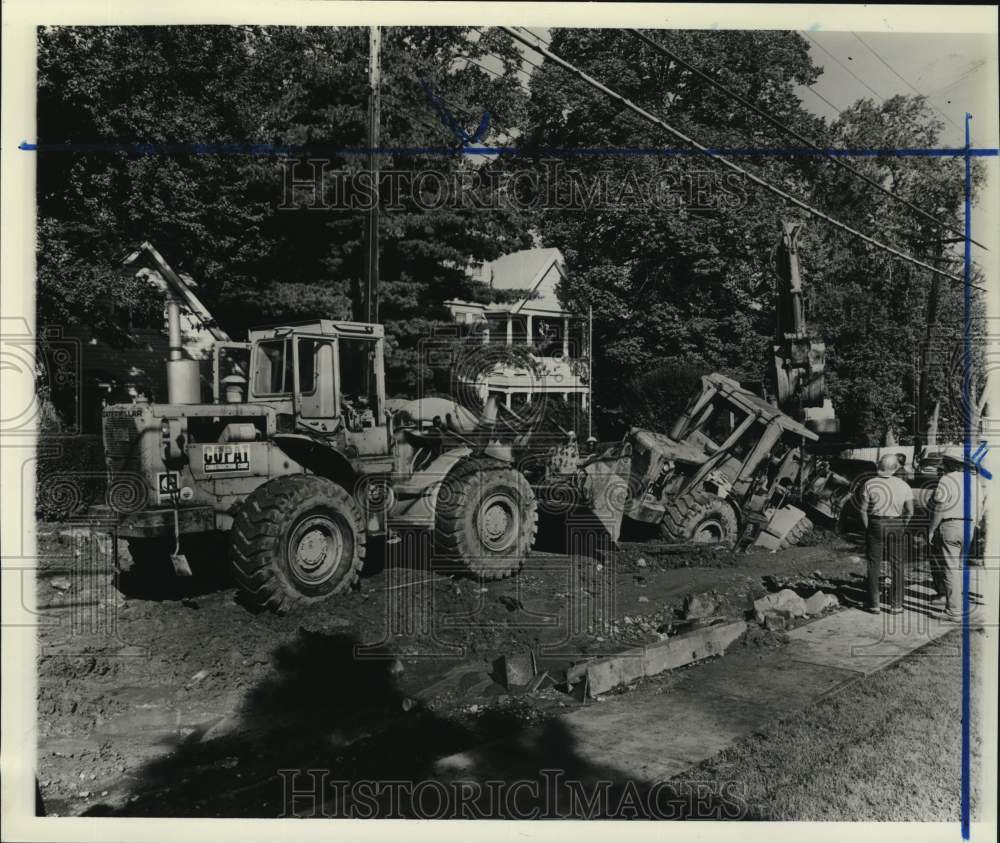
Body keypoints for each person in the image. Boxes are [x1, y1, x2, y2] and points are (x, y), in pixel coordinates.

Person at [927, 449, 983, 622]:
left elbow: (940, 507)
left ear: (951, 463)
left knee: (950, 568)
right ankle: (956, 602)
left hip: (951, 524)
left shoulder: (947, 479)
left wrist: (931, 529)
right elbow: (979, 508)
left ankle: (954, 610)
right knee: (958, 567)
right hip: (969, 525)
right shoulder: (975, 481)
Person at [858, 453, 914, 614]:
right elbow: (910, 511)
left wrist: (867, 528)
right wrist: (902, 524)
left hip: (876, 522)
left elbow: (862, 510)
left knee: (874, 563)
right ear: (896, 468)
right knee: (897, 564)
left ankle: (874, 603)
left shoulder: (869, 483)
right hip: (896, 523)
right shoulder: (904, 485)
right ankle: (896, 605)